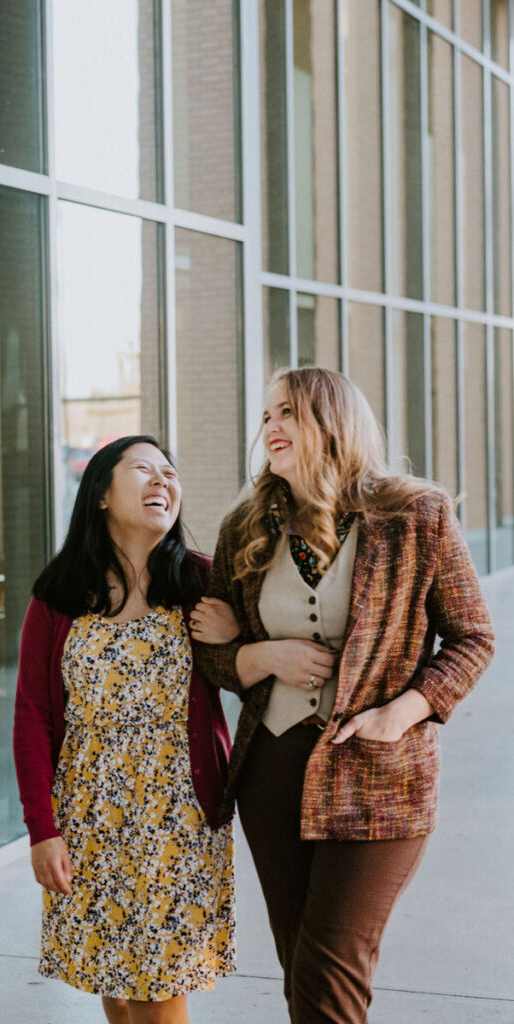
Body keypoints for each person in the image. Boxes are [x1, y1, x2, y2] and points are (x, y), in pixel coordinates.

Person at [191, 367, 495, 1024]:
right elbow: (211, 652)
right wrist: (253, 653)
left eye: (288, 412)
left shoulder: (414, 514)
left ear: (332, 421)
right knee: (300, 962)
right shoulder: (245, 524)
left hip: (379, 775)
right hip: (271, 770)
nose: (269, 427)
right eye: (267, 414)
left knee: (329, 967)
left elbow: (472, 637)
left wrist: (402, 713)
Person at [13, 435, 237, 1024]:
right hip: (87, 818)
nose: (163, 480)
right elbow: (33, 714)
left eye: (170, 472)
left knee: (159, 991)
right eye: (143, 469)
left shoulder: (201, 583)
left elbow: (249, 676)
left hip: (178, 819)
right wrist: (42, 828)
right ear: (102, 495)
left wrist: (242, 640)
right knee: (114, 983)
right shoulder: (60, 594)